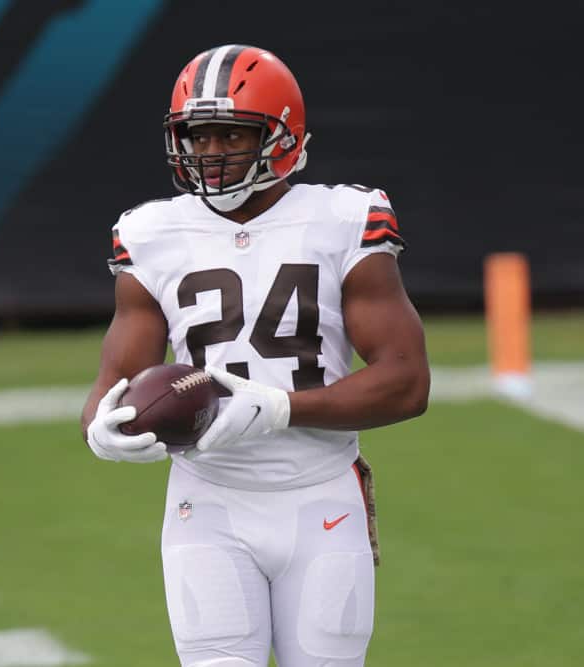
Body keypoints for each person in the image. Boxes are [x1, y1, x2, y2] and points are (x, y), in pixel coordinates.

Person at [81, 43, 430, 667]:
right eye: (196, 136)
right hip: (207, 501)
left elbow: (407, 383)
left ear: (283, 136)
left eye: (229, 136)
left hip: (321, 493)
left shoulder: (344, 218)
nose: (209, 154)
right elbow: (116, 380)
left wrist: (278, 408)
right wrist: (100, 429)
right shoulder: (152, 233)